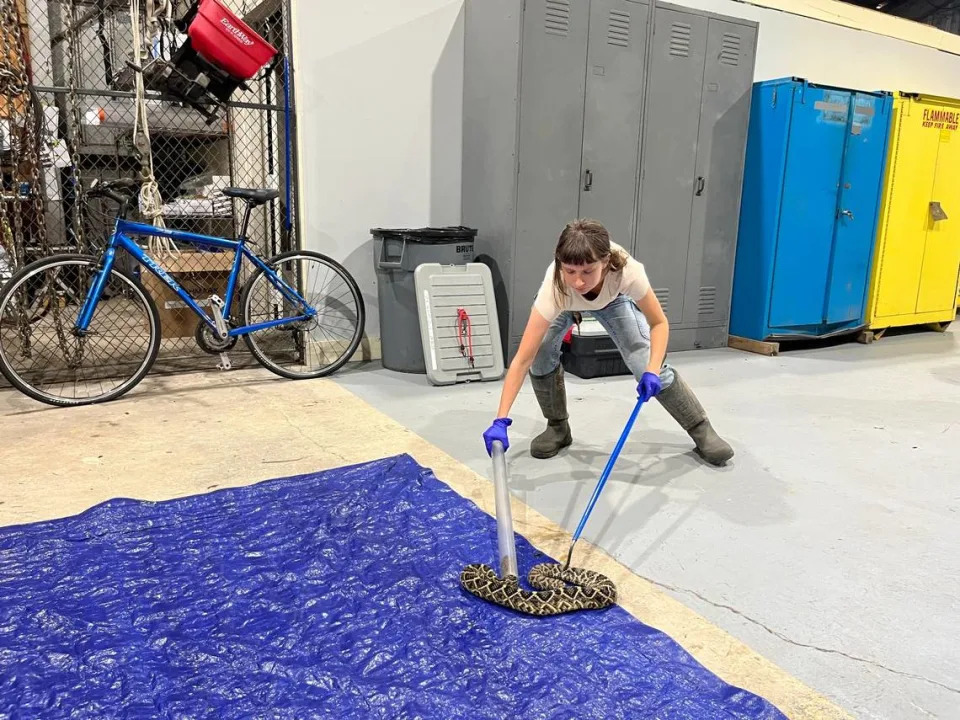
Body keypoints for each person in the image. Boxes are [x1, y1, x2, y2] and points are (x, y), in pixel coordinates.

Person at [482, 219, 733, 466]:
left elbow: (659, 323)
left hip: (612, 300)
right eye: (570, 271)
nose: (578, 281)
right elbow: (522, 359)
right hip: (565, 304)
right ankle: (557, 427)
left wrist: (653, 370)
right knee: (541, 353)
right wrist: (500, 420)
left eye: (587, 271)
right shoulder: (556, 286)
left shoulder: (627, 272)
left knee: (642, 361)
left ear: (605, 261)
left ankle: (701, 428)